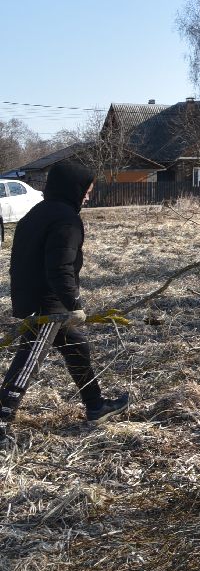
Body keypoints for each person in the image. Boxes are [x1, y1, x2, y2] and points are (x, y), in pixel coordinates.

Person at [1, 161, 130, 449]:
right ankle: (2, 416)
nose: (88, 196)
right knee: (28, 361)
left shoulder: (38, 213)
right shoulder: (66, 219)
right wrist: (73, 304)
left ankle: (96, 405)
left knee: (77, 351)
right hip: (48, 305)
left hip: (38, 299)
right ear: (74, 187)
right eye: (87, 190)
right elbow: (60, 268)